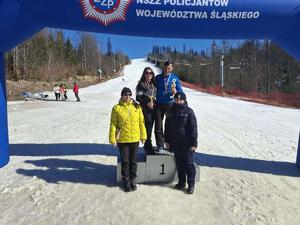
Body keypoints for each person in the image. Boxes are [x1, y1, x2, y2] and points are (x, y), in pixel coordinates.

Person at [109, 87, 147, 192]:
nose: (127, 97)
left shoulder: (136, 107)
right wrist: (112, 138)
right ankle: (126, 180)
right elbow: (113, 124)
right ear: (121, 95)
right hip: (123, 140)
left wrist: (143, 136)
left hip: (134, 139)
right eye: (125, 94)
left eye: (129, 95)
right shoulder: (116, 108)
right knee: (125, 161)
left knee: (133, 161)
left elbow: (141, 122)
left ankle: (133, 180)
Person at [165, 92, 198, 194]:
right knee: (179, 164)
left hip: (187, 143)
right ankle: (181, 182)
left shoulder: (189, 112)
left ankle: (191, 185)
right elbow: (167, 128)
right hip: (175, 142)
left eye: (180, 100)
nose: (178, 101)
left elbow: (193, 129)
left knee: (188, 164)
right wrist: (167, 140)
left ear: (184, 100)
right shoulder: (171, 112)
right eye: (176, 99)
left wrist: (193, 144)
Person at [155, 60, 183, 152]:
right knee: (158, 126)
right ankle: (160, 145)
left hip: (170, 104)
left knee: (170, 125)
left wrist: (176, 92)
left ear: (172, 68)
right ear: (163, 68)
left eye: (169, 68)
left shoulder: (175, 78)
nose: (167, 70)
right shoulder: (157, 78)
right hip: (159, 104)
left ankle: (170, 145)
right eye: (166, 68)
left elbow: (181, 92)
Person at [136, 67, 157, 155]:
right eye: (147, 73)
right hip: (145, 110)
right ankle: (147, 146)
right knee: (147, 128)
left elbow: (155, 96)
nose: (149, 75)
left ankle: (149, 144)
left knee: (151, 128)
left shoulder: (154, 84)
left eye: (150, 73)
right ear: (144, 75)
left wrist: (154, 103)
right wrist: (146, 103)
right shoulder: (141, 85)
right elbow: (138, 98)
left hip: (153, 109)